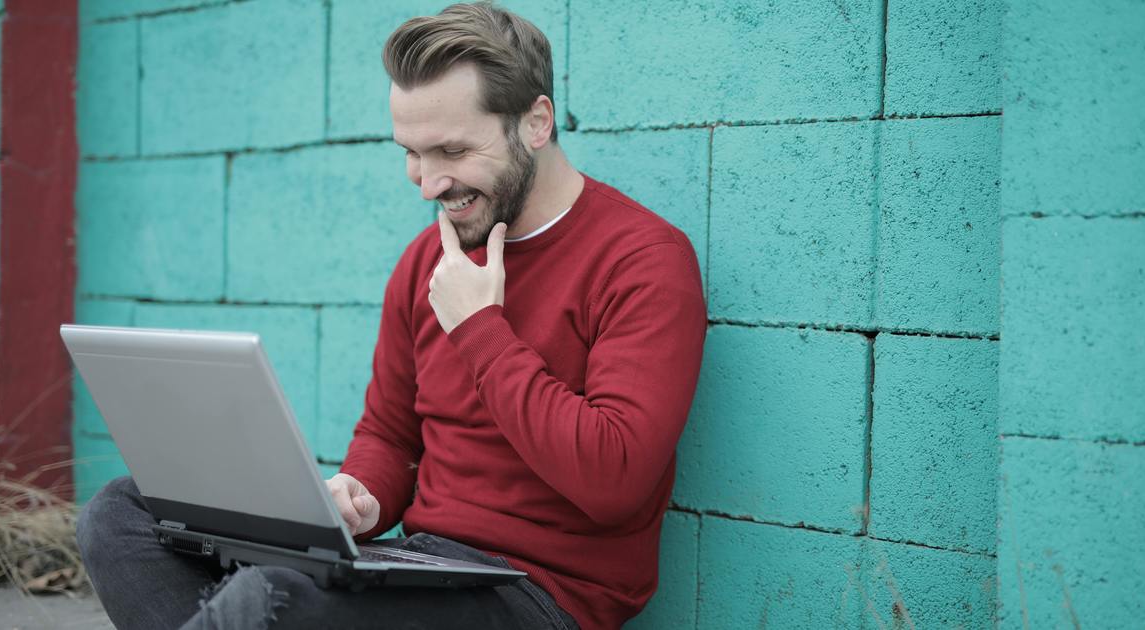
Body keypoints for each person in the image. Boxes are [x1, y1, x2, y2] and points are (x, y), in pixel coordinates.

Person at [76, 2, 706, 628]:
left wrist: (479, 331)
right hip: (414, 563)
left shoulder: (642, 259)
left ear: (536, 121)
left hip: (537, 593)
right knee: (122, 514)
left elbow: (614, 481)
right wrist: (361, 496)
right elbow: (391, 436)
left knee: (265, 602)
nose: (429, 183)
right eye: (411, 152)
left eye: (453, 150)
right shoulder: (425, 260)